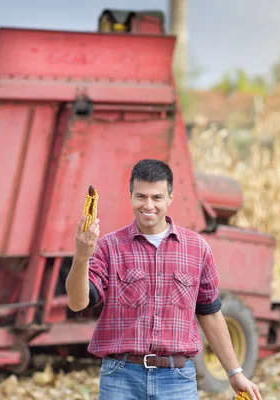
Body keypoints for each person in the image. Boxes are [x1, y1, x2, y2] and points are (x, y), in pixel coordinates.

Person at [66, 159, 262, 400]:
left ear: (170, 198)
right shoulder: (109, 247)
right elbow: (77, 302)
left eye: (157, 197)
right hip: (121, 377)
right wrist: (81, 257)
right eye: (141, 196)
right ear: (131, 197)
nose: (148, 205)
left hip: (177, 379)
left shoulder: (197, 248)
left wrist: (235, 372)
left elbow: (210, 312)